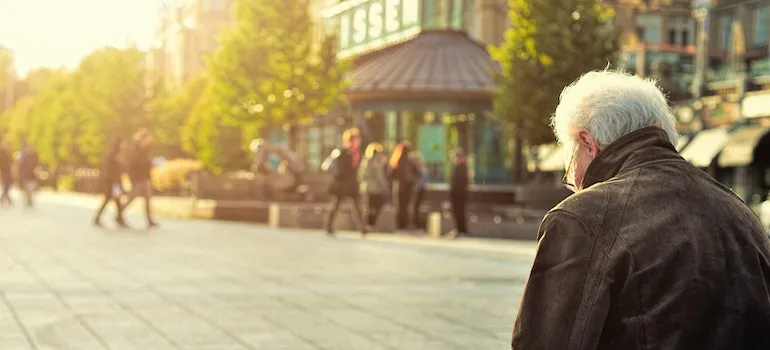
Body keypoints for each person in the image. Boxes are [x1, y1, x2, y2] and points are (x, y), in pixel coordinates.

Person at [512, 70, 770, 349]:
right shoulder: (741, 214)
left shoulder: (583, 218)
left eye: (570, 157)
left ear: (587, 143)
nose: (572, 179)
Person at [322, 128, 366, 236]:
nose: (358, 141)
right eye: (356, 139)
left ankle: (362, 228)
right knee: (336, 205)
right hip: (342, 183)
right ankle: (328, 226)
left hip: (351, 183)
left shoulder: (356, 152)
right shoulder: (343, 151)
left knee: (357, 206)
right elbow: (341, 168)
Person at [123, 129, 159, 229]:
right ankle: (119, 213)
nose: (147, 142)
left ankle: (149, 220)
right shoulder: (135, 150)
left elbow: (146, 164)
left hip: (145, 178)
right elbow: (133, 165)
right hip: (137, 178)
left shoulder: (146, 150)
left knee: (147, 199)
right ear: (141, 139)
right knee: (132, 198)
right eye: (146, 139)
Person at [93, 137, 129, 228]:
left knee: (115, 200)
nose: (124, 145)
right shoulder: (113, 155)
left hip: (115, 182)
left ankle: (117, 218)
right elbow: (110, 169)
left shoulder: (119, 154)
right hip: (112, 182)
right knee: (112, 200)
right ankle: (118, 218)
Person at [389, 141, 419, 233]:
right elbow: (417, 172)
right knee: (405, 206)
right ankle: (404, 225)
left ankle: (400, 225)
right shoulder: (409, 161)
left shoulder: (396, 160)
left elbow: (391, 174)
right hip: (407, 186)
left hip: (400, 186)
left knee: (400, 206)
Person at [360, 142, 390, 233]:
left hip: (366, 187)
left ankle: (367, 225)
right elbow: (379, 177)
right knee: (376, 206)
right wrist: (385, 186)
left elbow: (361, 175)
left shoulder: (365, 162)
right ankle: (370, 225)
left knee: (369, 207)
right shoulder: (376, 163)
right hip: (375, 189)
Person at [445, 149, 469, 238]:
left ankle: (461, 230)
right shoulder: (459, 167)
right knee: (456, 212)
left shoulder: (462, 167)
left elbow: (459, 182)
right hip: (457, 194)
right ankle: (459, 229)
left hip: (459, 194)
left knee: (460, 212)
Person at [410, 152, 429, 230]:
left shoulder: (421, 169)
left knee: (416, 207)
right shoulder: (421, 168)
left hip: (419, 190)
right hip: (420, 189)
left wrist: (415, 186)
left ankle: (417, 224)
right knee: (416, 207)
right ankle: (416, 223)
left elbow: (422, 180)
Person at [17, 143, 39, 208]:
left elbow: (37, 164)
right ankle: (28, 200)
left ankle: (30, 199)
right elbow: (20, 165)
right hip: (25, 174)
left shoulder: (35, 155)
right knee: (26, 188)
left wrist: (37, 170)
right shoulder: (23, 155)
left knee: (32, 188)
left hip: (33, 174)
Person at [0, 140, 13, 206]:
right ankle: (5, 199)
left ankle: (6, 198)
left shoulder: (8, 152)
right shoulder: (1, 153)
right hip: (4, 172)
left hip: (8, 171)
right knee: (6, 185)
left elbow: (11, 163)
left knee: (8, 185)